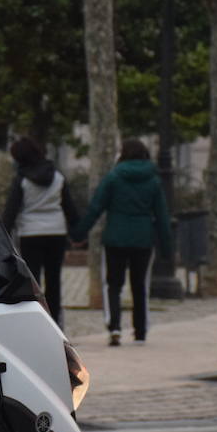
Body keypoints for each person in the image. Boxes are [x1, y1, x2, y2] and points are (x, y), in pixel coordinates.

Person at [70, 138, 173, 346]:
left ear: (123, 154)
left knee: (113, 285)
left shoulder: (113, 178)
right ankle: (140, 331)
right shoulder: (153, 181)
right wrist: (167, 248)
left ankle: (114, 327)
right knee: (140, 285)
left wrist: (79, 234)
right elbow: (162, 216)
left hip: (115, 237)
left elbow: (95, 208)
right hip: (143, 239)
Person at [1, 135, 78, 325]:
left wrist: (1, 235)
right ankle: (56, 322)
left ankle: (37, 321)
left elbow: (11, 211)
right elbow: (70, 208)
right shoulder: (58, 177)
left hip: (30, 234)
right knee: (54, 281)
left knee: (33, 282)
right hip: (56, 233)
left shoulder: (22, 180)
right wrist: (78, 233)